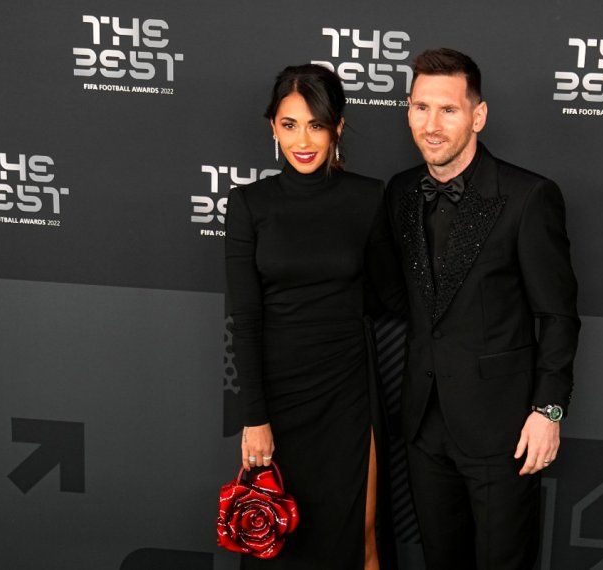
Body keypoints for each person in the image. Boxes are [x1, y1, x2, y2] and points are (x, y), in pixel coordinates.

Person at [383, 48, 581, 569]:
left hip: (503, 429)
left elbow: (557, 315)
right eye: (421, 107)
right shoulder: (401, 192)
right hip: (423, 423)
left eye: (448, 109)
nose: (432, 125)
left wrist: (548, 411)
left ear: (478, 115)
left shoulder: (528, 196)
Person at [225, 64, 404, 570]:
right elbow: (244, 317)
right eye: (290, 125)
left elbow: (391, 295)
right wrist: (254, 419)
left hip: (348, 391)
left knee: (360, 533)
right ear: (273, 127)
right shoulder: (249, 204)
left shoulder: (367, 197)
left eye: (316, 125)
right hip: (279, 398)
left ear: (338, 128)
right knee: (279, 542)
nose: (302, 141)